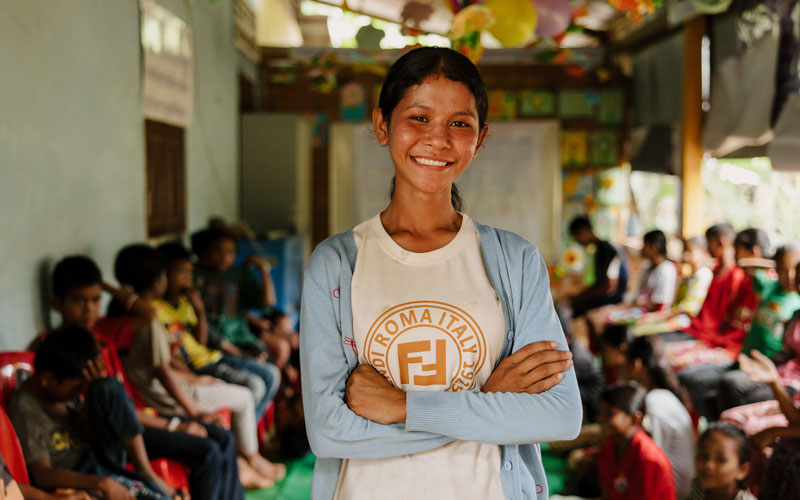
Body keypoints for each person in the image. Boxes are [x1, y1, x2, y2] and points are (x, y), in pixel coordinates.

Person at [299, 47, 581, 500]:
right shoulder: (336, 264)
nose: (438, 139)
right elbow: (330, 432)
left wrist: (401, 406)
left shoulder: (515, 261)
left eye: (460, 123)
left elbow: (559, 415)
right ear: (381, 125)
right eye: (419, 117)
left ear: (480, 138)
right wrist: (488, 401)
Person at [48, 256, 244, 500]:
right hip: (118, 436)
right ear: (57, 303)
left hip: (141, 418)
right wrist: (175, 425)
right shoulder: (58, 351)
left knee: (223, 438)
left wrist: (105, 285)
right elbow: (105, 413)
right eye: (79, 301)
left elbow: (149, 313)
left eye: (96, 300)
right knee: (208, 452)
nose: (89, 309)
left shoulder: (102, 330)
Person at [109, 244, 285, 487]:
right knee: (242, 399)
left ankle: (246, 458)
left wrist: (194, 378)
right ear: (159, 279)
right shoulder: (149, 319)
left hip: (180, 382)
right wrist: (193, 410)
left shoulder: (126, 313)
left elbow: (167, 361)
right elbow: (162, 370)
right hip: (167, 400)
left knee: (260, 381)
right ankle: (246, 460)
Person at [8, 326, 174, 500]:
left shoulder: (63, 394)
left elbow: (87, 436)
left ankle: (145, 471)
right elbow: (42, 474)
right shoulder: (25, 410)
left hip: (100, 462)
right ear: (48, 380)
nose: (78, 392)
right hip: (80, 477)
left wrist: (90, 395)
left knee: (107, 387)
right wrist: (100, 483)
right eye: (76, 387)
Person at [154, 241, 281, 423]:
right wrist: (192, 377)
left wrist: (199, 310)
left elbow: (202, 340)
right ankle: (244, 439)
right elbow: (165, 356)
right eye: (182, 273)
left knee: (272, 373)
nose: (188, 279)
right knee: (255, 385)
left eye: (189, 273)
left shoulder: (184, 303)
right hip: (199, 365)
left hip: (212, 356)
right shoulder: (155, 311)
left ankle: (249, 429)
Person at [679, 245, 800, 419]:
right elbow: (744, 264)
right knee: (689, 378)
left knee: (726, 385)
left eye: (793, 270)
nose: (789, 277)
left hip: (766, 366)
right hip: (743, 358)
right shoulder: (769, 286)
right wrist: (773, 263)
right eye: (783, 270)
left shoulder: (796, 302)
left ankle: (721, 430)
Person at [191, 228, 293, 370]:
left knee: (269, 363)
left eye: (230, 252)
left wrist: (263, 269)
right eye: (218, 251)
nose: (224, 257)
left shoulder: (239, 274)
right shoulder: (193, 273)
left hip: (240, 337)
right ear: (206, 251)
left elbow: (268, 302)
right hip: (213, 339)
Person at [624, 337, 695, 499]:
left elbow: (651, 459)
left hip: (673, 490)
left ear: (636, 365)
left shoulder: (655, 401)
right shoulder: (661, 396)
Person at [595, 382, 677, 500]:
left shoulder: (649, 459)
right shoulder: (608, 449)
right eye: (600, 413)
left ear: (635, 419)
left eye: (609, 414)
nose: (601, 419)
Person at [586, 229, 677, 333]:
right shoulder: (646, 267)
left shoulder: (666, 270)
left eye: (645, 245)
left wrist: (623, 307)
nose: (642, 249)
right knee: (593, 315)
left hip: (650, 314)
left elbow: (658, 306)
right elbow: (639, 296)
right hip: (636, 308)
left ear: (654, 247)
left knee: (597, 320)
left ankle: (607, 349)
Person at [633, 236, 713, 336]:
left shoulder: (703, 274)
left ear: (704, 253)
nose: (685, 255)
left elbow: (689, 308)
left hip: (687, 323)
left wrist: (658, 316)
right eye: (684, 251)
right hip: (677, 318)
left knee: (640, 331)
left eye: (690, 251)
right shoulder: (689, 276)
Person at [567, 216, 629, 318]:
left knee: (571, 308)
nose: (578, 242)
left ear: (584, 231)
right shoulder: (599, 251)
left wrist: (579, 297)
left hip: (612, 301)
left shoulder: (608, 251)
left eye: (577, 237)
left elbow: (608, 287)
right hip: (605, 298)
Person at [688, 423, 755, 500]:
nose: (708, 465)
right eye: (704, 456)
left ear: (742, 470)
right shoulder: (695, 489)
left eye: (720, 460)